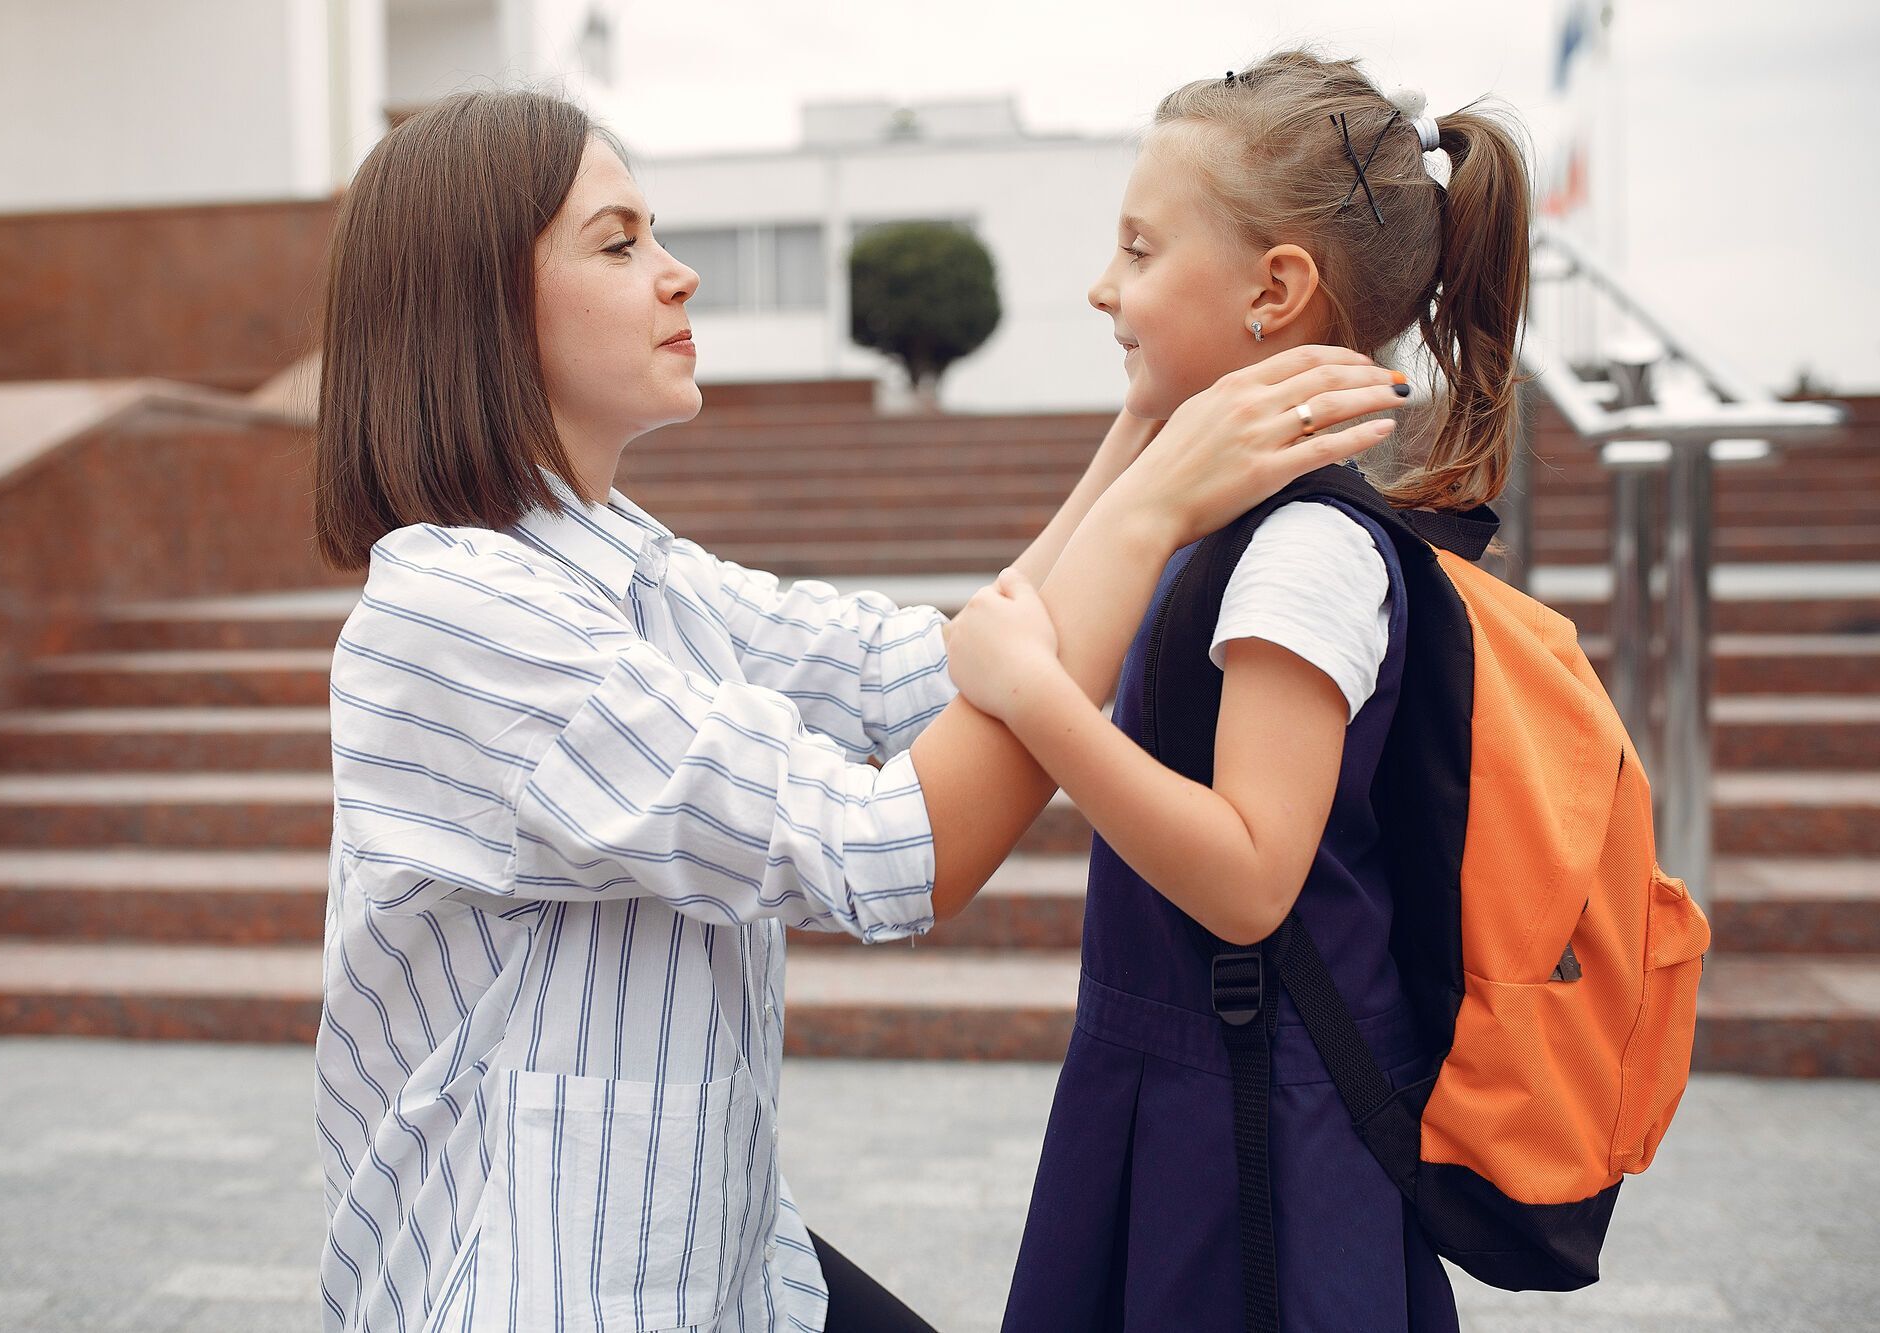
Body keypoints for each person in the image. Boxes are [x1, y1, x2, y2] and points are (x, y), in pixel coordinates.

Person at [308, 89, 1404, 1332]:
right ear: (477, 306)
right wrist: (1152, 511)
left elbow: (923, 677)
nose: (679, 277)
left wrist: (1148, 423)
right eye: (618, 244)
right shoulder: (456, 615)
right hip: (548, 1292)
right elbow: (888, 849)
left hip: (724, 1266)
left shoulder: (629, 561)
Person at [945, 50, 1532, 1333]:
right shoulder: (1224, 523)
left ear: (1274, 288)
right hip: (1186, 1088)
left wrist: (1041, 703)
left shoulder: (1302, 551)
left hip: (1255, 1129)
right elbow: (1011, 618)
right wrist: (1144, 421)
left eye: (1141, 250)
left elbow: (1251, 872)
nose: (1105, 287)